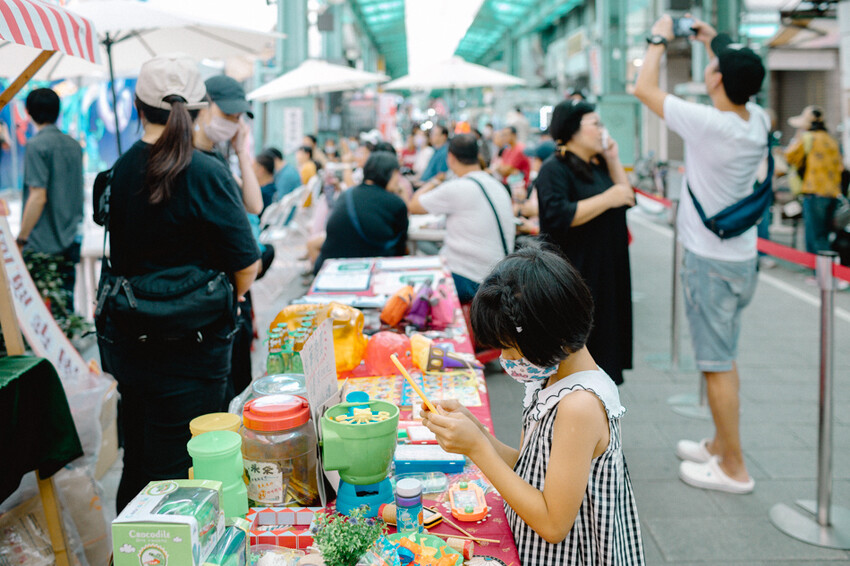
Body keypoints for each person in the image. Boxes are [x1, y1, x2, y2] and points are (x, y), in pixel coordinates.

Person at [98, 55, 260, 512]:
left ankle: (131, 547)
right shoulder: (206, 172)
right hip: (195, 347)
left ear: (136, 106)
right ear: (196, 109)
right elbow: (246, 267)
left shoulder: (117, 172)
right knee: (190, 464)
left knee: (140, 456)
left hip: (130, 344)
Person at [420, 244, 645, 565]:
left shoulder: (578, 405)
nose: (506, 361)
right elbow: (529, 470)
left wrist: (477, 450)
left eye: (511, 351)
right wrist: (477, 432)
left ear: (548, 338)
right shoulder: (549, 375)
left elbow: (553, 524)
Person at [634, 16, 768, 493]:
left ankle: (733, 467)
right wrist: (714, 39)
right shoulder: (757, 120)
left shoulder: (709, 123)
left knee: (717, 363)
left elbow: (643, 87)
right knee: (723, 356)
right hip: (740, 256)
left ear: (716, 79)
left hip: (710, 263)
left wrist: (657, 37)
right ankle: (718, 443)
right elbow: (735, 67)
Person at [535, 99, 634, 385]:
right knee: (578, 351)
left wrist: (614, 158)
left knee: (606, 347)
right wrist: (607, 198)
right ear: (573, 130)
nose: (603, 130)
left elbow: (626, 196)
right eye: (596, 124)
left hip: (608, 270)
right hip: (578, 274)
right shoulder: (555, 169)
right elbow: (559, 215)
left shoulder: (600, 164)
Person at [408, 134, 515, 303]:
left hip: (470, 279)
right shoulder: (497, 185)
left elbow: (413, 205)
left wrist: (435, 181)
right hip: (500, 276)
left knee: (416, 286)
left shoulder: (458, 188)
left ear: (450, 158)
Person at [18, 88, 83, 318]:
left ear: (29, 112)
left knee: (44, 317)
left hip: (42, 246)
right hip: (71, 238)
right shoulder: (74, 145)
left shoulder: (36, 146)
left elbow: (38, 196)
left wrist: (22, 238)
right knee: (66, 309)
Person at [314, 151, 408, 272]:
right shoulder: (396, 203)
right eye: (397, 173)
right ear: (389, 174)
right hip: (371, 269)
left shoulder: (346, 194)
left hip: (330, 268)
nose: (398, 179)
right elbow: (400, 247)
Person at [785, 105, 843, 254]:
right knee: (824, 235)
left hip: (814, 192)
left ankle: (818, 273)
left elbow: (790, 156)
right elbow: (840, 167)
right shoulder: (831, 140)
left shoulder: (807, 138)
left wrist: (798, 135)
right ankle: (826, 272)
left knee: (814, 235)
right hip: (832, 193)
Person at [497, 125, 532, 191]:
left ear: (514, 135)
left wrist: (505, 169)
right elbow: (501, 168)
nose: (503, 137)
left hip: (519, 188)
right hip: (507, 185)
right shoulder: (507, 150)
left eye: (506, 135)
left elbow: (506, 170)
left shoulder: (520, 150)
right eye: (503, 135)